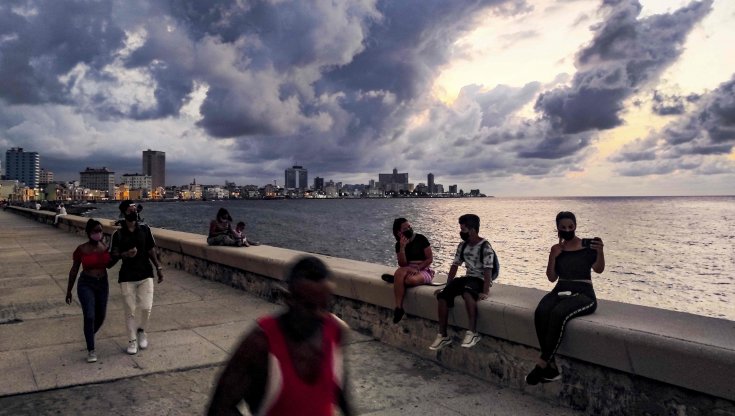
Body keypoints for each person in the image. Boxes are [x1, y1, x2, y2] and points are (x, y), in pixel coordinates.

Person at [207, 256, 352, 416]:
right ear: (289, 299)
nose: (319, 315)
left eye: (325, 307)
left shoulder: (335, 331)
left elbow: (340, 389)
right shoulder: (260, 343)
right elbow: (219, 408)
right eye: (309, 307)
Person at [525, 211, 605, 385]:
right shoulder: (557, 249)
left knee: (559, 313)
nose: (567, 230)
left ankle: (542, 363)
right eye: (563, 227)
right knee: (542, 311)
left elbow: (599, 269)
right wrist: (553, 255)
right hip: (560, 287)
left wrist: (600, 252)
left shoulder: (587, 246)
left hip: (584, 292)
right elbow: (551, 277)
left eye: (570, 226)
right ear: (558, 229)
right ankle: (551, 367)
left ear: (575, 226)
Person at [429, 214, 496, 350]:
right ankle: (442, 335)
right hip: (468, 277)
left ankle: (472, 332)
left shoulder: (485, 246)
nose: (461, 232)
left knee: (467, 293)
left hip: (480, 279)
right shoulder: (462, 246)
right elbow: (455, 266)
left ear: (472, 229)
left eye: (463, 229)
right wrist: (448, 286)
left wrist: (485, 291)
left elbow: (488, 270)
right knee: (443, 296)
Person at [109, 204, 164, 355]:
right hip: (127, 277)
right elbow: (112, 257)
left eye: (135, 210)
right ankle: (132, 340)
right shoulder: (118, 235)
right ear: (124, 212)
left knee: (147, 307)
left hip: (146, 274)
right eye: (130, 210)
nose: (134, 212)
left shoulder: (145, 229)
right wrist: (125, 254)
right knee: (130, 311)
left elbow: (151, 249)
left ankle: (141, 331)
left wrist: (158, 268)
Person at [65, 219, 112, 363]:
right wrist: (69, 291)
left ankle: (89, 335)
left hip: (102, 283)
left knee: (101, 316)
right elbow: (74, 270)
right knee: (90, 315)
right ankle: (91, 349)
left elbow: (110, 264)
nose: (98, 234)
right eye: (95, 231)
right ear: (88, 233)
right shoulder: (81, 249)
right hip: (86, 284)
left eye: (100, 231)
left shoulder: (104, 247)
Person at [383, 218, 434, 324]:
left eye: (409, 227)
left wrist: (417, 268)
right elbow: (403, 264)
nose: (409, 229)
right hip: (407, 269)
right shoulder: (398, 244)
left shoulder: (421, 239)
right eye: (405, 228)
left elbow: (429, 259)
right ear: (399, 232)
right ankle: (398, 308)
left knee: (409, 281)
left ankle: (397, 280)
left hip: (423, 269)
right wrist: (402, 248)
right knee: (401, 271)